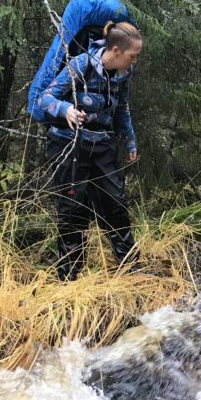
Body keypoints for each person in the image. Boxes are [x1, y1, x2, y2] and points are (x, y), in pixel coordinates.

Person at [38, 21, 142, 281]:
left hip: (102, 143)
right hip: (69, 143)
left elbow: (122, 108)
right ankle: (69, 277)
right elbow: (46, 98)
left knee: (116, 204)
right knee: (73, 209)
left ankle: (131, 269)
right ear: (116, 51)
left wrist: (129, 141)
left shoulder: (123, 74)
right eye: (133, 56)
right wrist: (67, 110)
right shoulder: (80, 65)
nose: (135, 61)